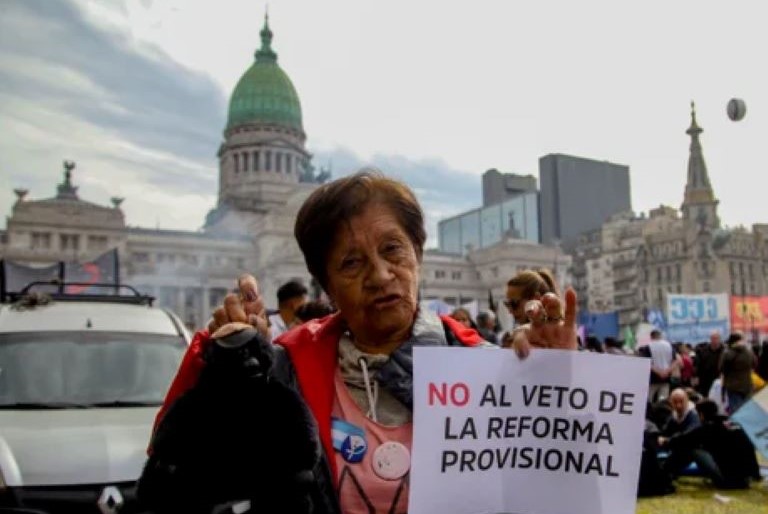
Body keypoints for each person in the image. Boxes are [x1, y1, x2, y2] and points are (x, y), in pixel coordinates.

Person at [139, 170, 579, 513]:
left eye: (393, 250)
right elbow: (183, 491)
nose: (382, 275)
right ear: (325, 286)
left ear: (418, 256)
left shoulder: (483, 365)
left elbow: (560, 492)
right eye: (352, 262)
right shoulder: (283, 371)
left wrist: (552, 387)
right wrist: (226, 381)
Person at [501, 268, 578, 358]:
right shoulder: (512, 339)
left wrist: (562, 356)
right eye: (507, 304)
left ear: (535, 299)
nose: (510, 311)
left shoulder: (565, 337)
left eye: (514, 303)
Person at [719, 332, 756, 414]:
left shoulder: (727, 352)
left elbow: (721, 368)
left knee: (736, 412)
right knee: (748, 410)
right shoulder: (748, 351)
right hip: (747, 384)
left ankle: (739, 426)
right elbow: (755, 363)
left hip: (733, 386)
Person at [694, 331, 724, 397]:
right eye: (713, 338)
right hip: (706, 379)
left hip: (720, 378)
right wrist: (696, 376)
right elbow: (698, 365)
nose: (715, 340)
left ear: (720, 339)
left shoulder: (724, 350)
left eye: (716, 338)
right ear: (710, 339)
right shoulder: (703, 351)